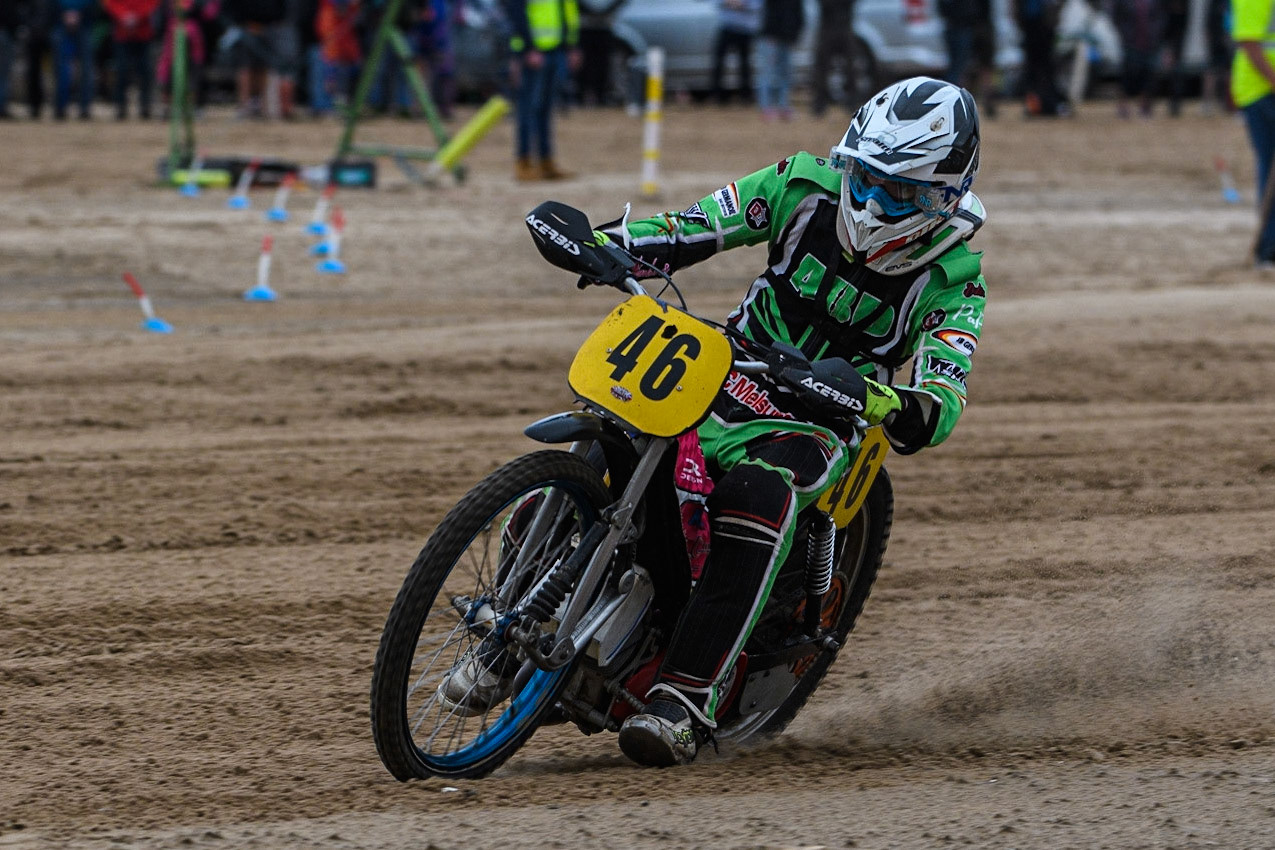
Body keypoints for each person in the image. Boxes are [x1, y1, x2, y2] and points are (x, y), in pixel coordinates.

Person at [441, 77, 988, 767]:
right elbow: (689, 229)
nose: (874, 202)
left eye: (900, 194)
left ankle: (686, 697)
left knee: (755, 498)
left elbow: (939, 403)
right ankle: (504, 637)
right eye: (866, 178)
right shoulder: (799, 183)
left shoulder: (956, 279)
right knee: (604, 434)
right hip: (725, 364)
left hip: (822, 417)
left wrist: (873, 397)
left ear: (944, 196)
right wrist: (605, 246)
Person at [504, 0, 581, 181]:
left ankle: (546, 161)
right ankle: (523, 162)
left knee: (545, 110)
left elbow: (565, 11)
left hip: (555, 50)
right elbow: (516, 12)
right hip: (534, 52)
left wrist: (570, 46)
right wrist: (528, 48)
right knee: (528, 109)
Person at [1232, 0, 1275, 267]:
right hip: (1260, 92)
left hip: (1264, 89)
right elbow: (1250, 42)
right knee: (1270, 164)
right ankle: (1269, 246)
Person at [939, 0, 997, 118]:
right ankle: (957, 104)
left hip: (967, 24)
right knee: (964, 68)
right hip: (967, 24)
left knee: (965, 68)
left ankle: (957, 105)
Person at [104, 0, 161, 119]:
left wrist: (138, 16)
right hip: (122, 33)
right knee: (122, 71)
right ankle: (120, 107)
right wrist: (122, 15)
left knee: (145, 71)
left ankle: (145, 106)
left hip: (143, 32)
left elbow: (152, 3)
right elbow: (110, 3)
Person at [1110, 0, 1167, 118]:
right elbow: (1116, 16)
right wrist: (1123, 33)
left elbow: (1161, 16)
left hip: (1150, 42)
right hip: (1130, 42)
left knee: (1148, 75)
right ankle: (1123, 106)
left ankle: (1145, 106)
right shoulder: (1124, 3)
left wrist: (1157, 33)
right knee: (1128, 74)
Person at [756, 0, 804, 121]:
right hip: (771, 37)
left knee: (785, 73)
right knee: (768, 72)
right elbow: (768, 13)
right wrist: (770, 34)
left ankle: (783, 106)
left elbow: (799, 15)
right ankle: (766, 107)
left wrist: (794, 35)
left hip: (787, 38)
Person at [1015, 0, 1065, 116]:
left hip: (1044, 23)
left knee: (1045, 67)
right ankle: (1034, 104)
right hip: (1030, 23)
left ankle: (1047, 103)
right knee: (1033, 68)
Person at [52, 0, 98, 119]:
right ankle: (60, 107)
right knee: (61, 69)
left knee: (86, 70)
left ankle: (85, 108)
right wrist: (64, 13)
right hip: (60, 22)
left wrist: (79, 13)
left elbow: (94, 5)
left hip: (85, 23)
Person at [810, 0, 856, 117]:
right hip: (832, 28)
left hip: (840, 28)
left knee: (849, 68)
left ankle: (850, 101)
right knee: (822, 69)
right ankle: (820, 103)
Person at [711, 0, 760, 105]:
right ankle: (718, 94)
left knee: (744, 62)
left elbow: (758, 5)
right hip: (727, 26)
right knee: (719, 60)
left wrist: (743, 5)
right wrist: (728, 3)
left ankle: (745, 94)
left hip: (745, 28)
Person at [575, 0, 624, 107]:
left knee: (603, 64)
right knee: (584, 64)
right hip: (585, 26)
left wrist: (607, 10)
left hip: (605, 26)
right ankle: (581, 94)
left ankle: (601, 95)